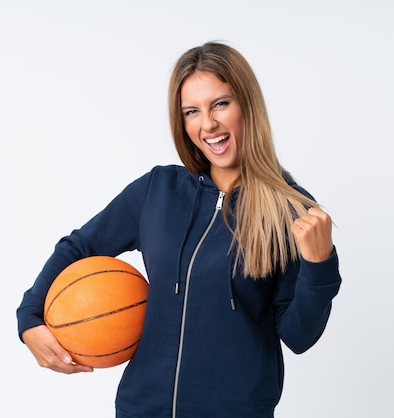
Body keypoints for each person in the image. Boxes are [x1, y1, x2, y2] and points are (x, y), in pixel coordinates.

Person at [17, 41, 342, 418]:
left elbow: (299, 336)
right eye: (192, 111)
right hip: (141, 409)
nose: (208, 124)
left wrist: (319, 266)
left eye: (220, 103)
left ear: (247, 106)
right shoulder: (157, 191)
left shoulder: (291, 210)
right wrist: (30, 320)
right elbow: (78, 247)